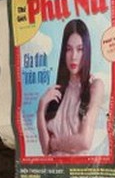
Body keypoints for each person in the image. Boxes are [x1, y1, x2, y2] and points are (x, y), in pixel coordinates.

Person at [36, 18, 105, 155]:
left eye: (80, 49)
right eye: (69, 49)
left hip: (79, 173)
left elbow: (84, 141)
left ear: (87, 51)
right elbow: (45, 149)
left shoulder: (95, 86)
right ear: (63, 53)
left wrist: (55, 143)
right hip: (54, 173)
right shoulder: (55, 92)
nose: (74, 56)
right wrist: (41, 108)